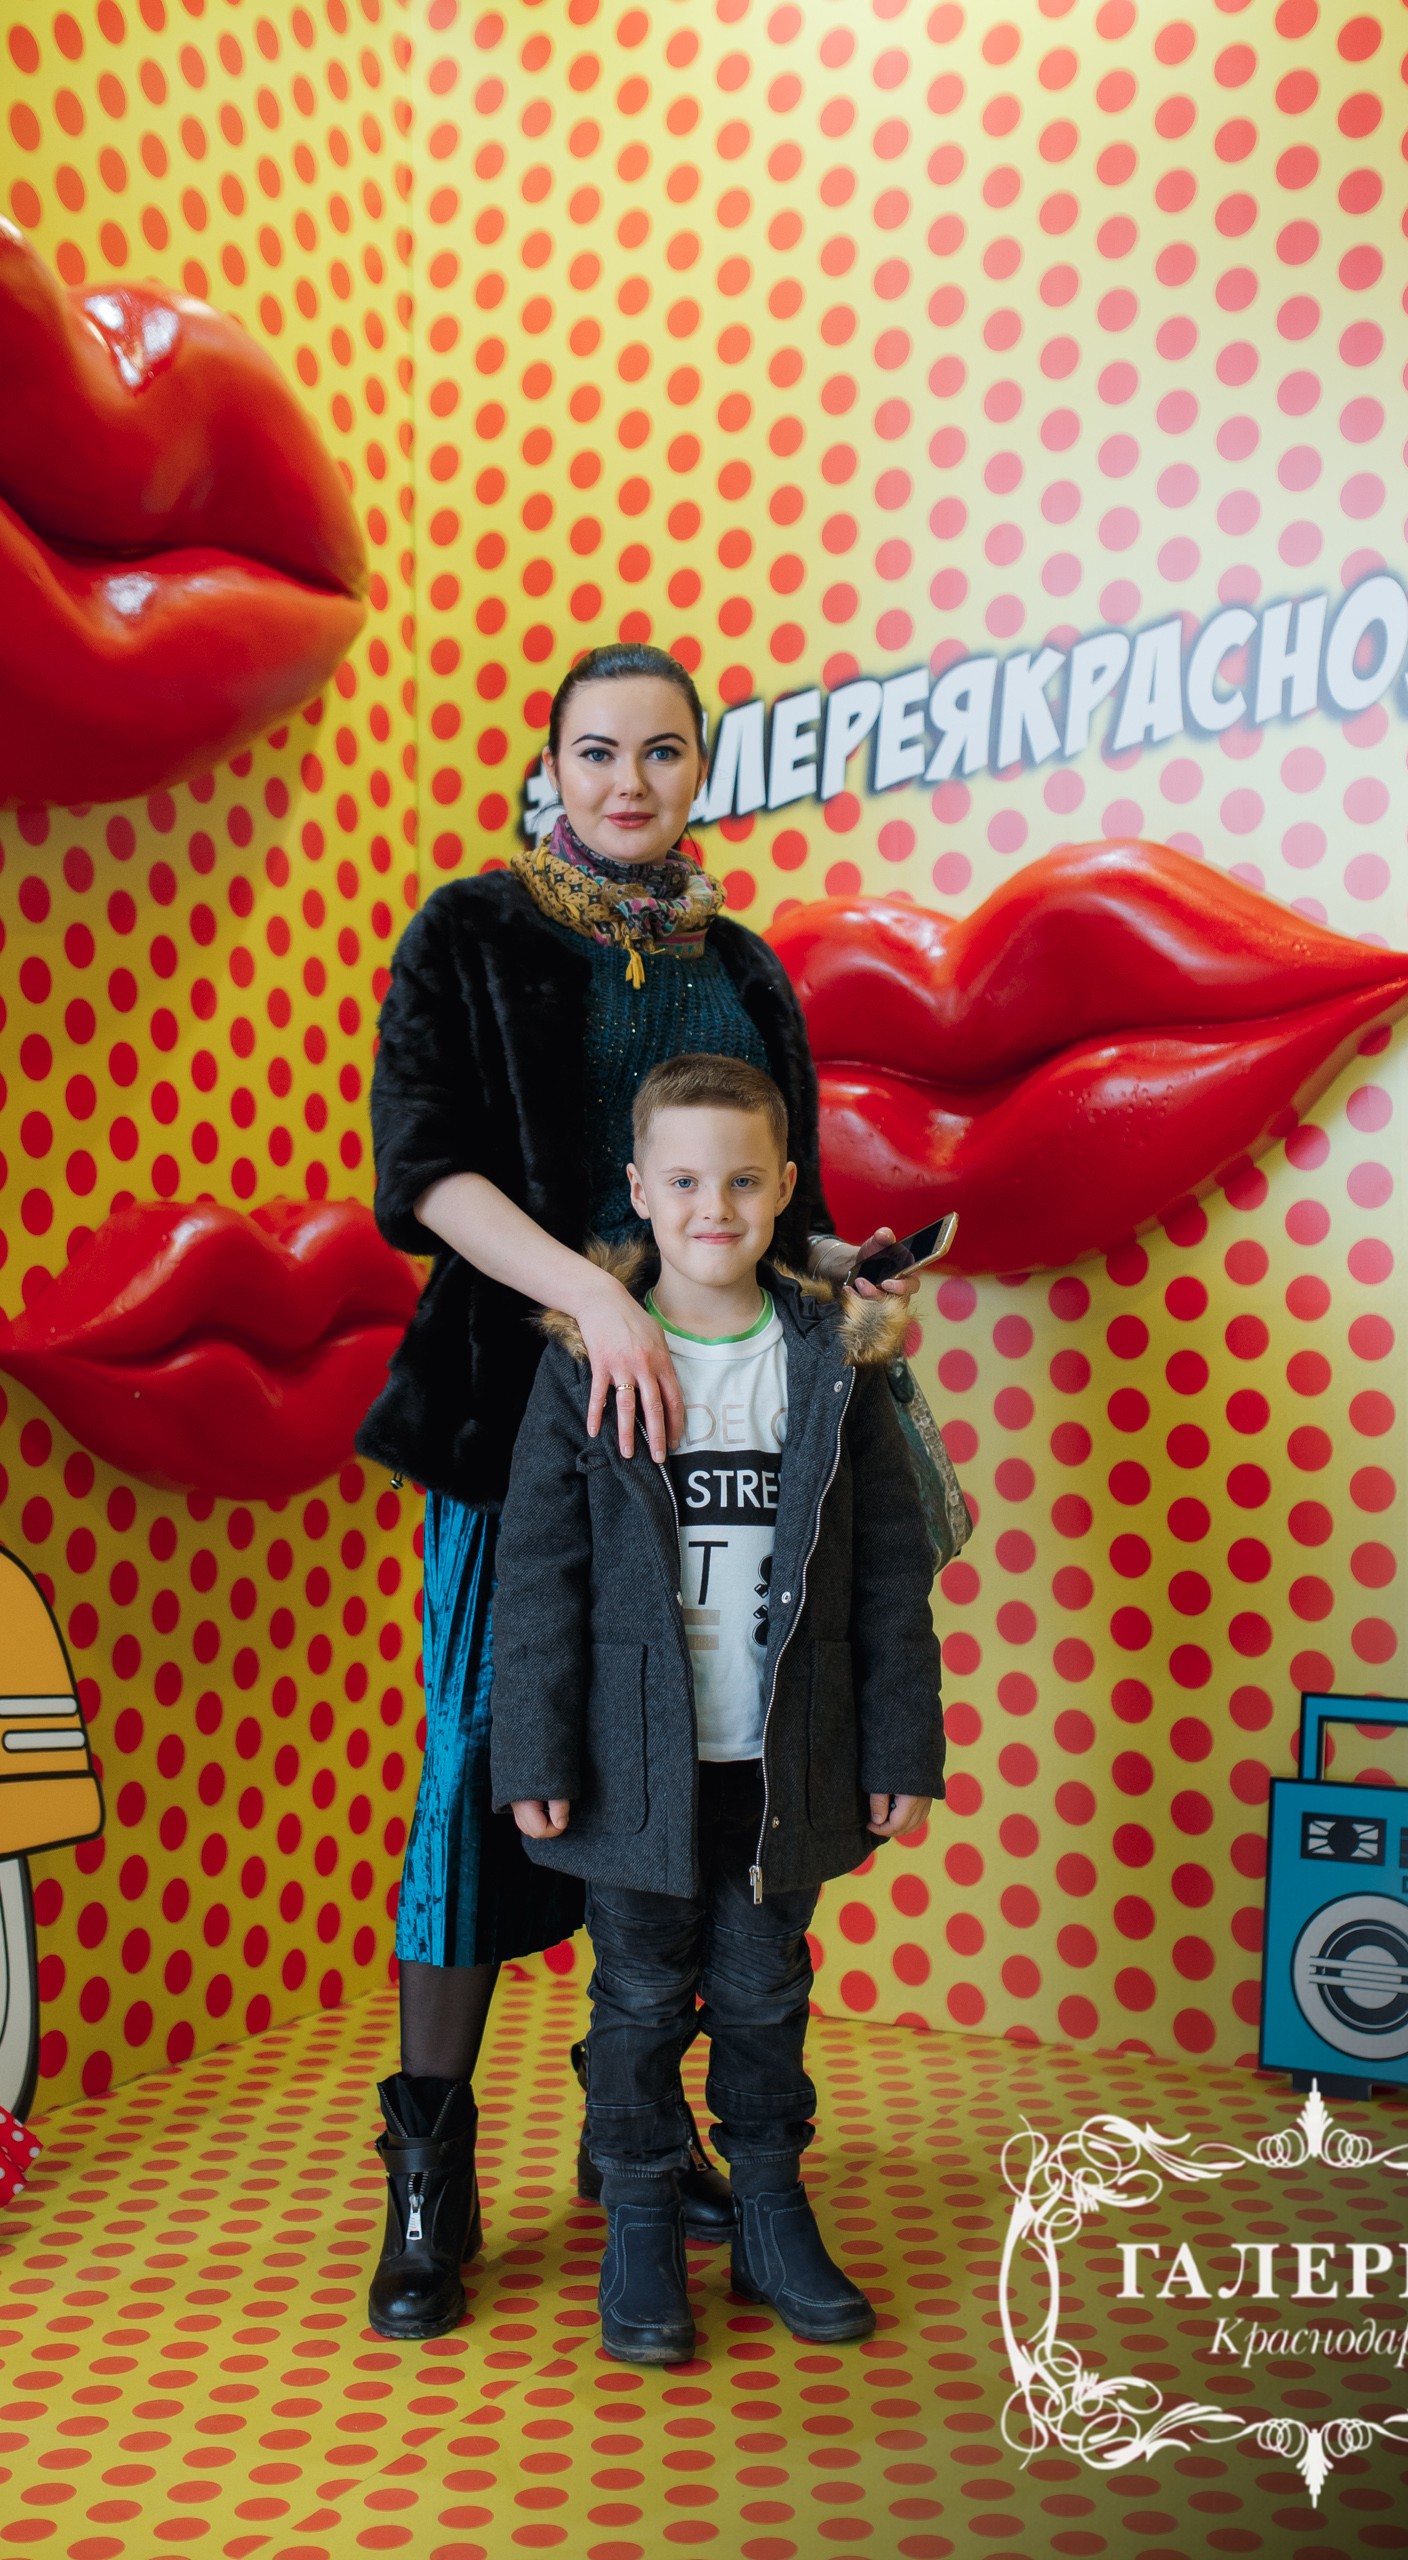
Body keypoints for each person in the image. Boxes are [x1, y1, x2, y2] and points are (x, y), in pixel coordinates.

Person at [355, 641, 919, 2340]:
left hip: (723, 1437)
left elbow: (770, 1205)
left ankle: (647, 2152)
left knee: (702, 1779)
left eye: (661, 753)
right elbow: (423, 1171)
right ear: (550, 766)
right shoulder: (468, 931)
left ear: (698, 774)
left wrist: (852, 1277)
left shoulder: (742, 967)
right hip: (518, 1427)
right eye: (595, 752)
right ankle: (429, 2171)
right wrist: (591, 1300)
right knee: (483, 1772)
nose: (627, 782)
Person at [489, 1053, 944, 2365]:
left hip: (782, 1756)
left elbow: (889, 1569)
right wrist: (534, 1748)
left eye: (743, 1182)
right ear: (640, 1190)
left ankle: (769, 2208)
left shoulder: (830, 1360)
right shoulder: (585, 1361)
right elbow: (539, 1573)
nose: (714, 1208)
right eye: (684, 1181)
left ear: (786, 1187)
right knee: (637, 2001)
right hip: (633, 1761)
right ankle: (639, 2214)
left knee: (762, 1993)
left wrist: (900, 1743)